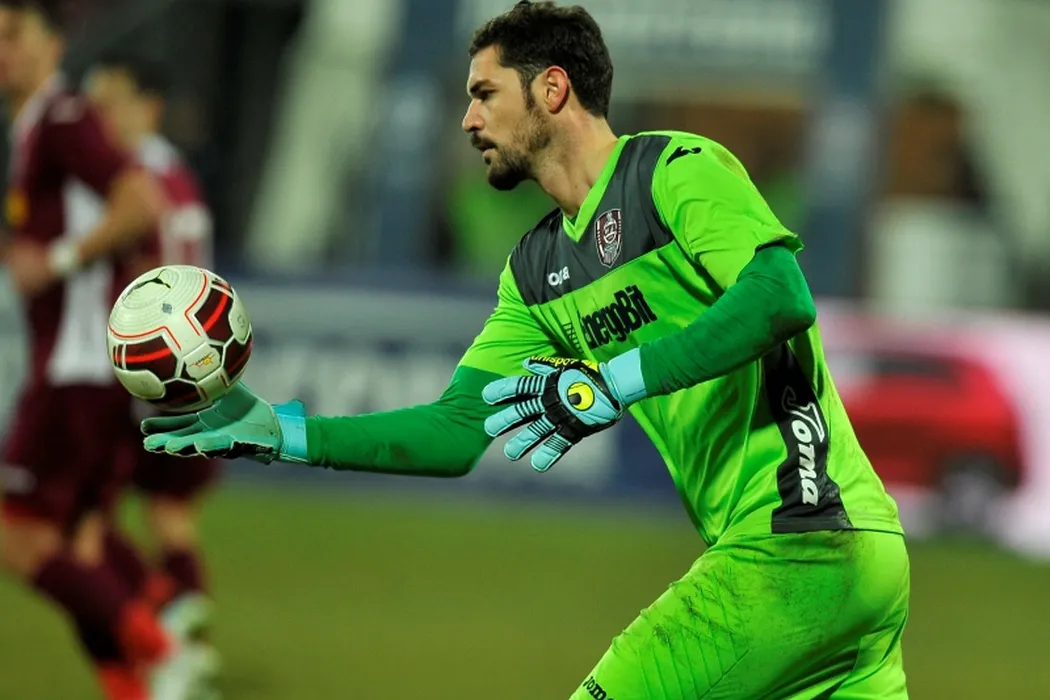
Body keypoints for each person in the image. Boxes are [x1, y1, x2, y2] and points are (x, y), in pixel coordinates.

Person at [143, 2, 910, 698]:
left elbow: (779, 296)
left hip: (797, 543)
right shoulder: (538, 272)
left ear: (551, 89)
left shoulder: (674, 171)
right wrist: (284, 433)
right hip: (848, 561)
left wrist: (614, 380)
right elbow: (451, 432)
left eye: (484, 94)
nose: (468, 120)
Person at [0, 2, 196, 698]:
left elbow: (139, 200)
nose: (2, 50)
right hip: (80, 369)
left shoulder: (61, 119)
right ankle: (138, 675)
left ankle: (161, 645)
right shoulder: (36, 126)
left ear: (53, 44)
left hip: (75, 370)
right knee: (81, 543)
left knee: (17, 536)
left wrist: (55, 260)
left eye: (14, 35)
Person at [85, 54, 220, 667]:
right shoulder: (176, 173)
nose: (100, 117)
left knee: (82, 512)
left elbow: (160, 275)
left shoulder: (137, 178)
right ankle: (184, 630)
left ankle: (158, 621)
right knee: (168, 509)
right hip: (192, 358)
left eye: (111, 102)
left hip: (150, 362)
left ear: (148, 107)